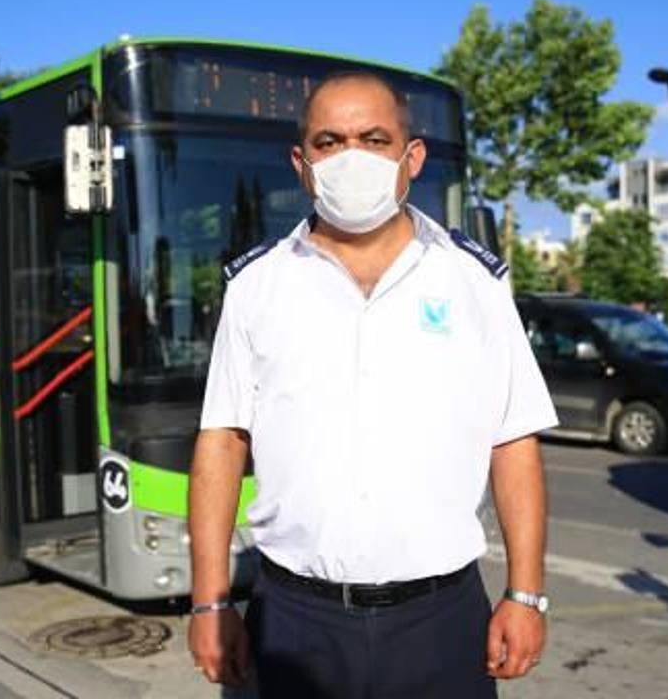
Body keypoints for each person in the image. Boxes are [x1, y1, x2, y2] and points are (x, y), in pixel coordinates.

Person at [187, 70, 558, 698]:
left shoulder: (475, 284)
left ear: (410, 158)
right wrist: (208, 602)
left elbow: (513, 440)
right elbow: (222, 444)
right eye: (330, 142)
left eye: (374, 138)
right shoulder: (258, 288)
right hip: (296, 622)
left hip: (441, 622)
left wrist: (526, 593)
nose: (351, 157)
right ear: (301, 164)